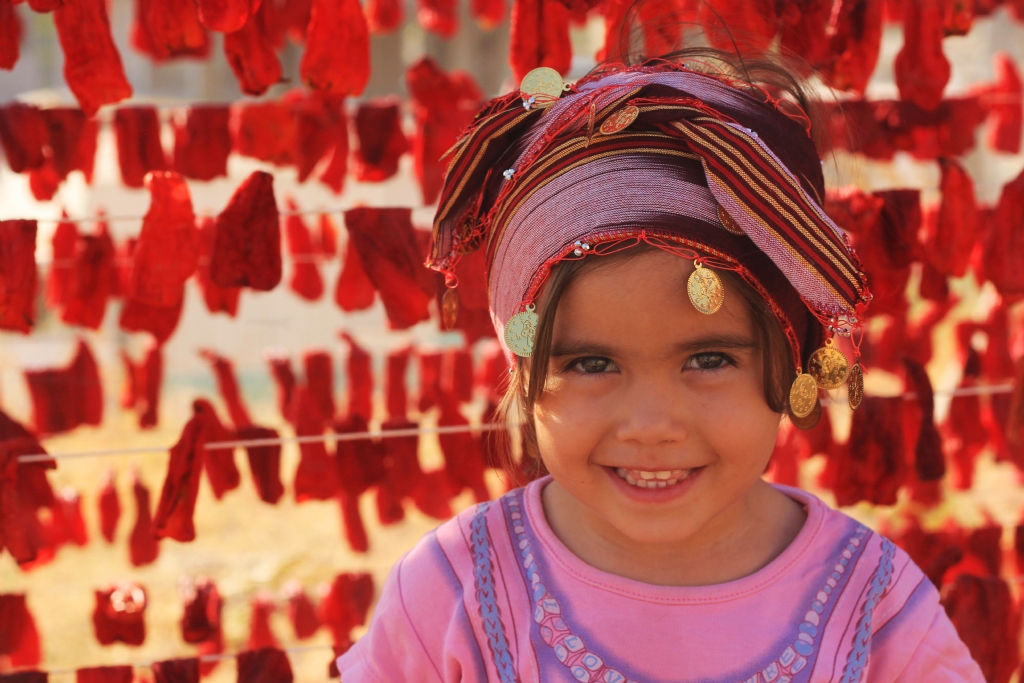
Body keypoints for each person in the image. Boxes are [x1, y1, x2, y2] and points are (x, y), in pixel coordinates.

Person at [335, 49, 985, 682]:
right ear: (523, 370)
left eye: (707, 358)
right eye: (592, 362)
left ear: (794, 362)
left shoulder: (875, 610)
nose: (650, 424)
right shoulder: (452, 595)